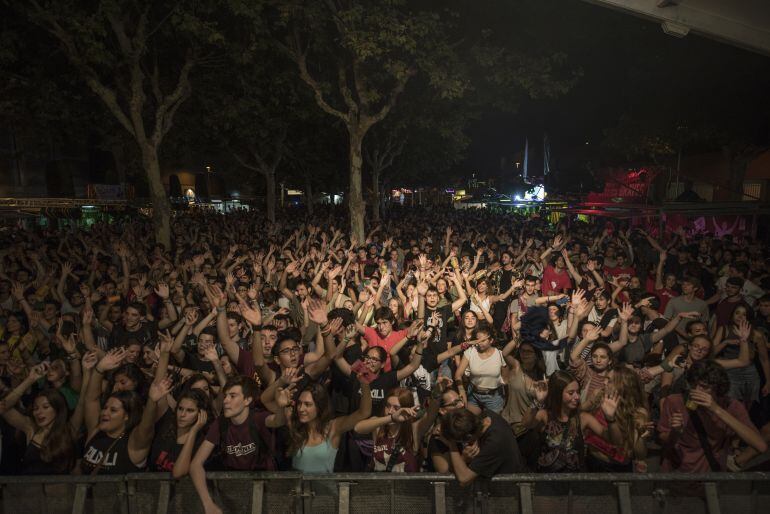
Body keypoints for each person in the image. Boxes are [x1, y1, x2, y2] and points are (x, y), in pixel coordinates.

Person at [189, 375, 290, 514]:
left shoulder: (258, 418)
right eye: (225, 396)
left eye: (232, 396)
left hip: (267, 491)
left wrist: (281, 408)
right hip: (235, 494)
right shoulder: (220, 423)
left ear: (247, 400)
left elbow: (277, 421)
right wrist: (208, 504)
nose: (225, 401)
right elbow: (195, 464)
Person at [658, 360, 767, 472]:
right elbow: (665, 441)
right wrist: (675, 432)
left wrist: (716, 409)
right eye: (693, 385)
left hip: (710, 473)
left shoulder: (731, 406)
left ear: (717, 387)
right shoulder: (674, 401)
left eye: (704, 387)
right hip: (677, 472)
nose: (696, 390)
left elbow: (760, 446)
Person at [523, 370, 619, 472]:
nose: (577, 397)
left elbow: (614, 440)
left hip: (575, 482)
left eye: (577, 392)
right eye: (571, 393)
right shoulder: (545, 415)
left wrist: (610, 419)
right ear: (558, 394)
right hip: (549, 482)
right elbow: (526, 423)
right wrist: (537, 401)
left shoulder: (583, 418)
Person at [438, 407, 524, 486]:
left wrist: (452, 444)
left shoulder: (494, 442)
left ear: (468, 437)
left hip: (507, 493)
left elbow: (463, 479)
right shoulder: (487, 415)